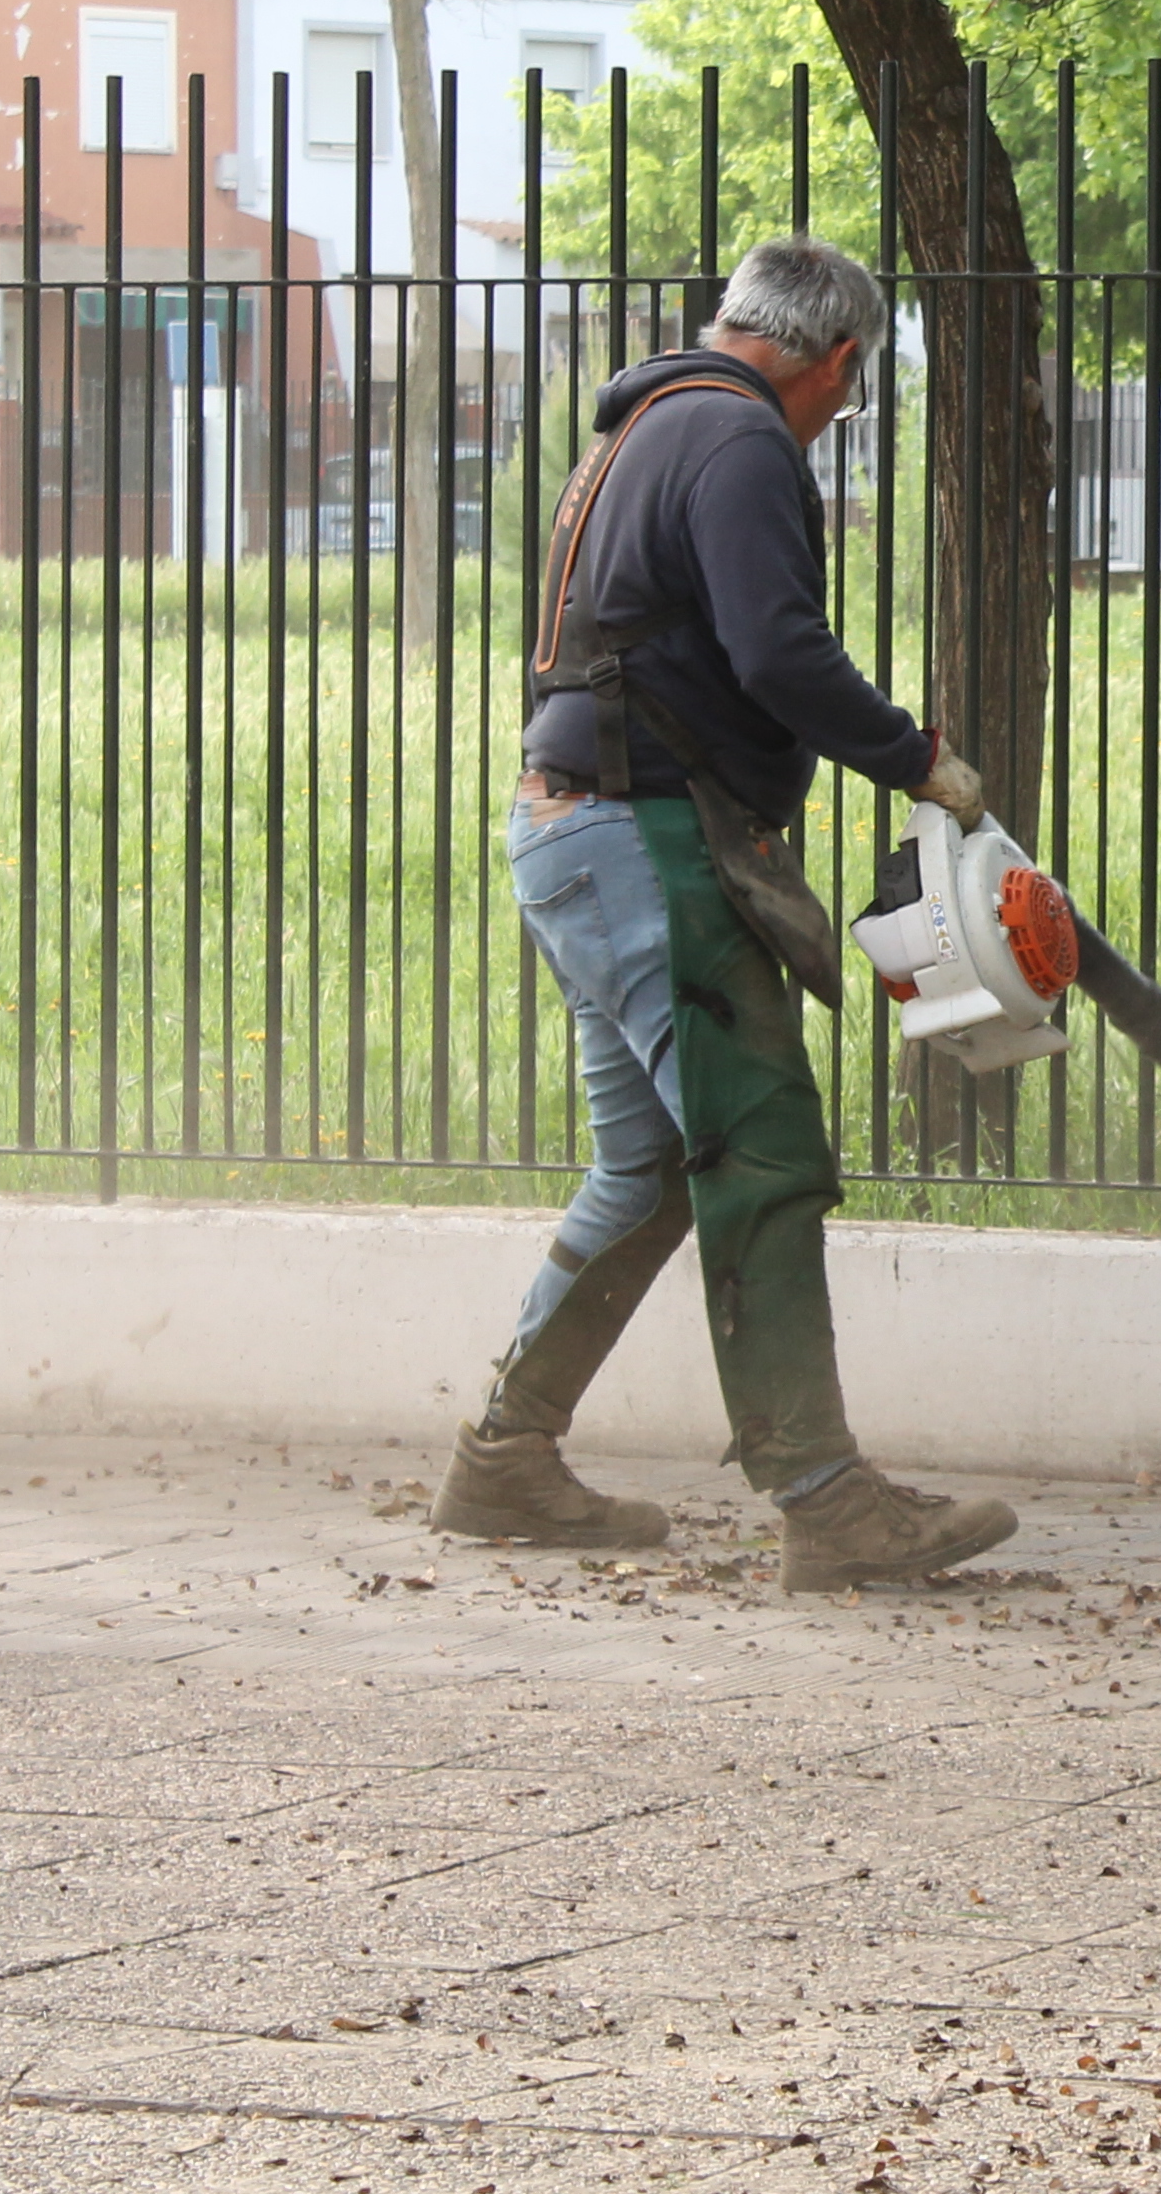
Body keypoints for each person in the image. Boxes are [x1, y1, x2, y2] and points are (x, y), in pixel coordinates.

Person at [435, 235, 1019, 1594]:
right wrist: (911, 755)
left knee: (648, 1174)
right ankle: (824, 1499)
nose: (833, 420)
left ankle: (504, 1458)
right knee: (760, 1153)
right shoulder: (741, 439)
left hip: (576, 828)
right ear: (838, 360)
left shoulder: (644, 425)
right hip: (650, 839)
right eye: (845, 396)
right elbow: (778, 651)